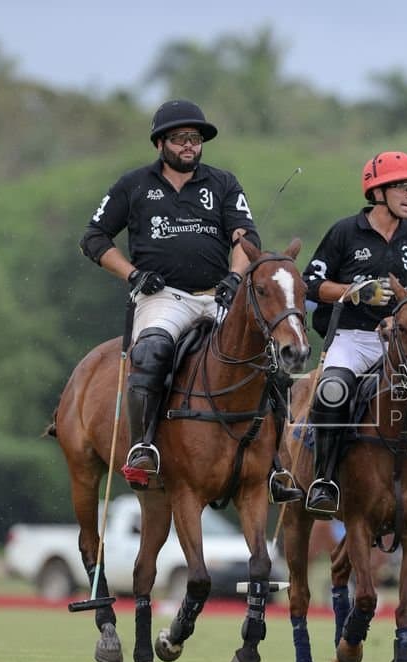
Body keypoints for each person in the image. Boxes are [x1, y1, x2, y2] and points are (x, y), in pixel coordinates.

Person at [78, 99, 268, 492]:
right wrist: (133, 274)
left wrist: (235, 277)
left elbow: (245, 236)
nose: (189, 146)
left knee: (267, 354)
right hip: (163, 296)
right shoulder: (134, 185)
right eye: (180, 138)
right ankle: (143, 446)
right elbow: (94, 238)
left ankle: (277, 460)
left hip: (217, 296)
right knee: (151, 351)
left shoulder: (223, 183)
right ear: (160, 143)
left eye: (195, 139)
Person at [301, 151, 407, 528]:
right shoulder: (345, 232)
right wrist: (353, 291)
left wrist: (400, 319)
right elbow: (309, 283)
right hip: (352, 338)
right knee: (331, 391)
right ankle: (325, 481)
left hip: (406, 344)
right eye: (402, 187)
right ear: (378, 192)